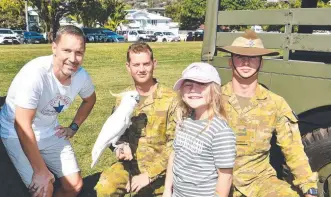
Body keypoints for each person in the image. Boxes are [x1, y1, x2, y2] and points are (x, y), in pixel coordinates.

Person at [0, 25, 96, 197]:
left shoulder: (81, 76)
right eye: (66, 50)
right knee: (44, 189)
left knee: (74, 185)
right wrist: (41, 171)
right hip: (16, 132)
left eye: (79, 52)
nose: (73, 59)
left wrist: (74, 127)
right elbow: (21, 124)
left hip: (49, 131)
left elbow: (90, 99)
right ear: (54, 48)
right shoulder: (35, 75)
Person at [219, 29, 318, 197]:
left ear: (261, 63)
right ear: (230, 62)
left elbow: (293, 148)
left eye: (253, 58)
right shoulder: (214, 99)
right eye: (240, 57)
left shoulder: (275, 103)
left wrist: (309, 187)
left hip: (259, 182)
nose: (246, 63)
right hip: (217, 179)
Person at [95, 42, 177, 197]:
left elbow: (177, 145)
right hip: (129, 167)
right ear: (128, 67)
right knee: (106, 187)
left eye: (146, 64)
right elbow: (114, 135)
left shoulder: (171, 99)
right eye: (136, 64)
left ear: (154, 64)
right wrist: (120, 147)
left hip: (162, 172)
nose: (141, 69)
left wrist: (149, 174)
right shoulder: (123, 99)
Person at [162, 62, 236, 197]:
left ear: (215, 90)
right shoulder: (184, 121)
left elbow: (225, 178)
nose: (193, 89)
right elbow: (175, 156)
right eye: (188, 84)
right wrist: (167, 190)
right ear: (182, 93)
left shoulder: (220, 131)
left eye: (201, 84)